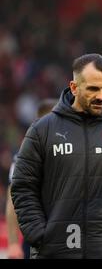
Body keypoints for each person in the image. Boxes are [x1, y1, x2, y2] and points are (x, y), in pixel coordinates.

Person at [11, 53, 102, 259]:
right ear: (74, 87)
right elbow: (23, 186)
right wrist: (40, 234)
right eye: (93, 88)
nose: (101, 96)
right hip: (53, 252)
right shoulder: (41, 130)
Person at [6, 99, 57, 259]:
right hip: (36, 237)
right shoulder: (24, 158)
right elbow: (13, 199)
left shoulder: (73, 153)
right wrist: (13, 243)